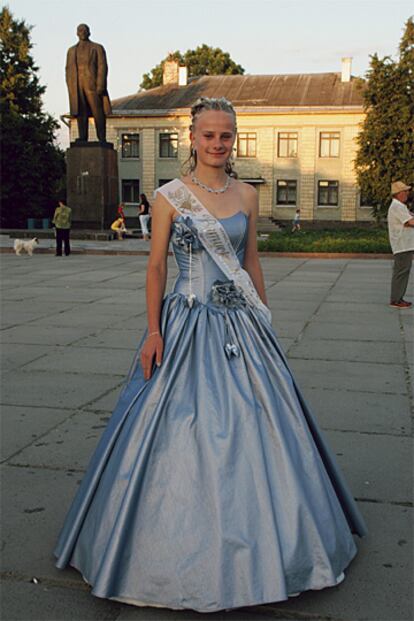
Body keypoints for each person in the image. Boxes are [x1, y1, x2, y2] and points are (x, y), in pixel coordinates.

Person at [55, 97, 367, 613]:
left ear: (234, 139)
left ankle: (281, 545)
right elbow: (156, 268)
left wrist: (264, 318)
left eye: (226, 136)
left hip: (242, 327)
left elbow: (250, 263)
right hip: (187, 322)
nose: (218, 144)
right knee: (178, 427)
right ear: (192, 139)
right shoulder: (169, 198)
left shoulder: (246, 195)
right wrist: (154, 331)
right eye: (208, 136)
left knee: (264, 426)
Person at [65, 24, 112, 143]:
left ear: (89, 32)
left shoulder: (97, 48)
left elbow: (102, 66)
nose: (82, 32)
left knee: (98, 111)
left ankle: (101, 137)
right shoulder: (71, 51)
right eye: (80, 31)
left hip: (93, 85)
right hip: (77, 85)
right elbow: (68, 69)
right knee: (81, 112)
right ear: (77, 33)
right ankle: (83, 136)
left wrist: (101, 84)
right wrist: (70, 86)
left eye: (84, 30)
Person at [387, 180, 414, 308]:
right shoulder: (397, 206)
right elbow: (410, 222)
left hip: (406, 244)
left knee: (403, 271)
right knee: (401, 272)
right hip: (402, 245)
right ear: (398, 193)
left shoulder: (400, 206)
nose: (407, 193)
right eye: (405, 191)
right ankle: (396, 299)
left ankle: (398, 297)